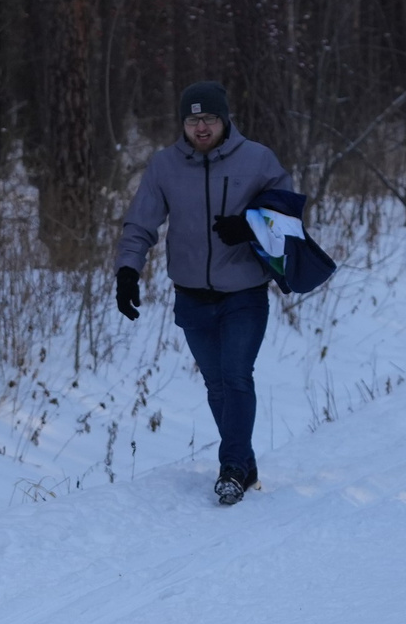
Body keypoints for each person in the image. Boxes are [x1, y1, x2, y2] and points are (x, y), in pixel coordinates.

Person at [114, 82, 298, 506]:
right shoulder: (164, 166)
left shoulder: (257, 159)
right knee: (216, 384)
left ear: (224, 119)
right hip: (191, 294)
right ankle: (245, 461)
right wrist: (128, 270)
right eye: (193, 119)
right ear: (183, 123)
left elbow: (288, 216)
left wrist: (250, 225)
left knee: (235, 375)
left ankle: (231, 467)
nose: (201, 127)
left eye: (209, 119)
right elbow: (141, 222)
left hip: (244, 292)